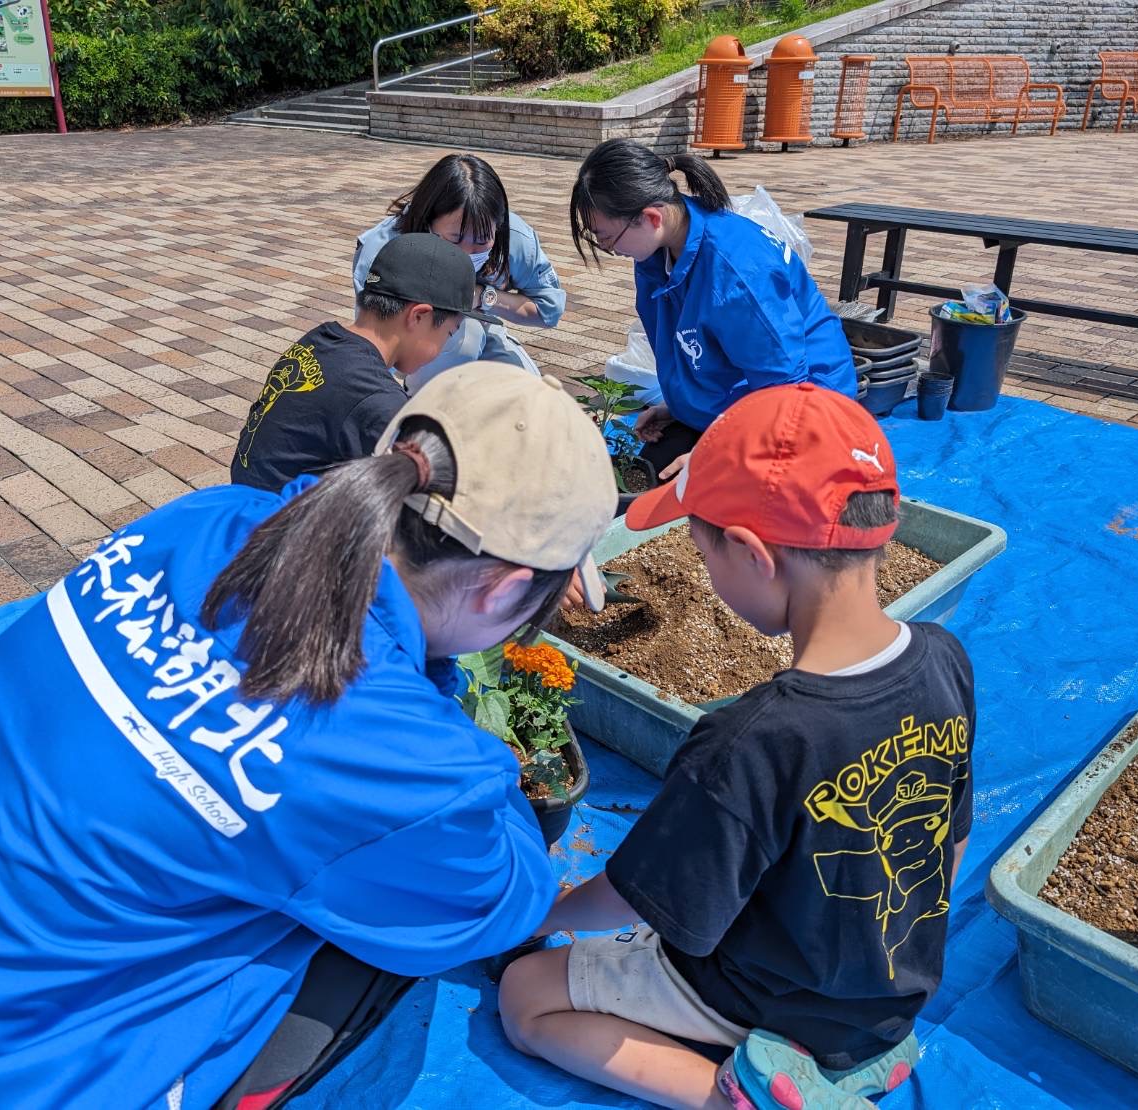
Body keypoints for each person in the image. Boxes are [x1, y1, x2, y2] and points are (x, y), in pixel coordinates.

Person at [0, 364, 617, 1108]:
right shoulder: (409, 762)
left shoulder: (208, 518)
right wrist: (443, 699)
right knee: (382, 921)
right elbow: (500, 902)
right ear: (506, 588)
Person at [500, 383, 975, 1110]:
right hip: (889, 992)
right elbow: (951, 842)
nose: (707, 574)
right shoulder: (945, 658)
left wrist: (546, 914)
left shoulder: (752, 739)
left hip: (773, 994)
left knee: (524, 996)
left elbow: (637, 900)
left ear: (753, 555)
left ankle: (735, 1096)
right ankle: (848, 1060)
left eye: (704, 552)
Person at [569, 138, 857, 476]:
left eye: (606, 238)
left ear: (650, 217)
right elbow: (695, 348)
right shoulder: (658, 250)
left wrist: (721, 451)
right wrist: (677, 406)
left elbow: (786, 392)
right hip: (739, 402)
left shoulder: (737, 273)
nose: (608, 249)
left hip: (803, 412)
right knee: (648, 475)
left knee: (704, 500)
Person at [232, 233, 494, 493]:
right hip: (281, 526)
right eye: (449, 334)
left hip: (243, 503)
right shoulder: (377, 400)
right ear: (419, 317)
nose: (444, 347)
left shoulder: (319, 339)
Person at [354, 153, 566, 393]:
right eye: (454, 239)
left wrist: (485, 296)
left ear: (499, 226)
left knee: (529, 391)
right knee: (463, 344)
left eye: (482, 241)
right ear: (428, 221)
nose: (466, 254)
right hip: (420, 333)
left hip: (483, 319)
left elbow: (549, 310)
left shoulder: (515, 237)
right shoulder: (383, 250)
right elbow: (375, 343)